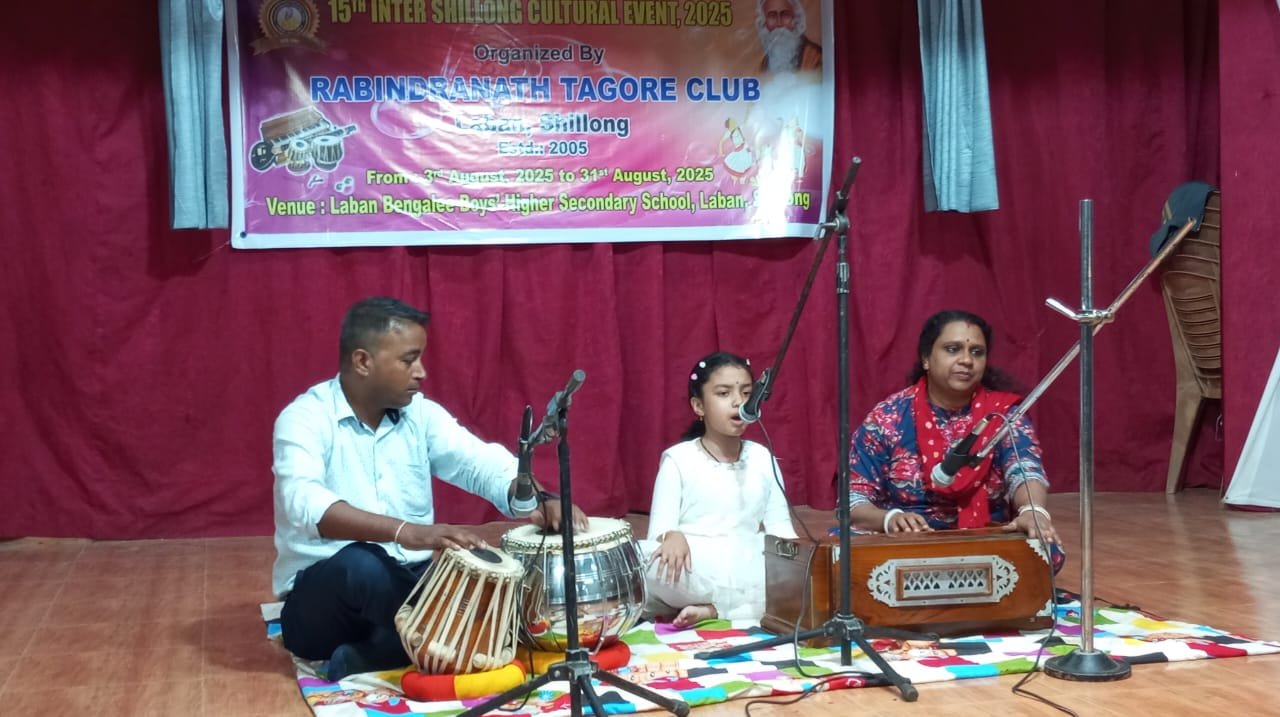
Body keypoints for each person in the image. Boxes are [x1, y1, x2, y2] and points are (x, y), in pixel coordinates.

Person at [272, 297, 586, 680]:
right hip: (326, 601)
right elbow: (306, 505)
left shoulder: (420, 415)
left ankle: (383, 652)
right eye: (409, 360)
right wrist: (409, 532)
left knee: (499, 579)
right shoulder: (305, 418)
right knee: (362, 564)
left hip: (408, 589)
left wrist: (541, 498)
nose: (421, 372)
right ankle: (430, 644)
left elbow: (478, 461)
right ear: (363, 362)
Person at [847, 310, 1062, 555]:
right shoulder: (888, 417)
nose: (967, 360)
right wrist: (889, 519)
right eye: (952, 349)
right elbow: (854, 499)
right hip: (905, 539)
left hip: (985, 533)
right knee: (844, 552)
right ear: (926, 359)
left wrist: (1033, 511)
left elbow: (1024, 468)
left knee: (1044, 548)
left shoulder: (1002, 414)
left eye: (977, 352)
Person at [642, 351, 798, 628]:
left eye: (746, 393)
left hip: (747, 559)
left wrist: (798, 567)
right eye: (724, 393)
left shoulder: (762, 457)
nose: (739, 402)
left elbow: (781, 530)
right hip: (696, 565)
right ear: (698, 406)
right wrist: (671, 535)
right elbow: (659, 533)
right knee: (645, 558)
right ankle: (741, 607)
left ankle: (715, 610)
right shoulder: (678, 459)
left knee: (797, 570)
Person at [756, 0, 823, 73]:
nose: (779, 23)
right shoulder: (765, 61)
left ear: (796, 19)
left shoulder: (815, 57)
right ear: (764, 22)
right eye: (772, 16)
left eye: (785, 15)